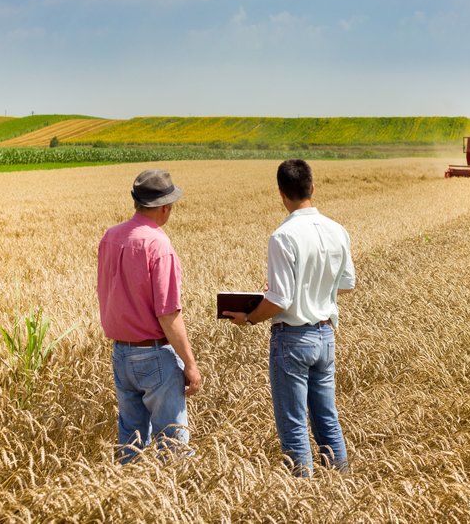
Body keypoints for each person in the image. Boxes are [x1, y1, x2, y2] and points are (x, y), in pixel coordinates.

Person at [224, 159, 355, 476]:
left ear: (281, 193)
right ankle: (343, 483)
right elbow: (347, 284)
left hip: (293, 339)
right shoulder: (337, 230)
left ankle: (302, 500)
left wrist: (250, 317)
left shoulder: (283, 236)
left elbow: (279, 300)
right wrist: (313, 292)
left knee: (293, 422)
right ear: (312, 187)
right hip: (325, 336)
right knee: (326, 417)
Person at [97, 169, 202, 463]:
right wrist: (190, 365)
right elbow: (168, 314)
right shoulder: (158, 245)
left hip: (121, 353)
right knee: (172, 444)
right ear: (165, 207)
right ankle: (171, 502)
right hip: (154, 355)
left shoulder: (110, 237)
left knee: (130, 441)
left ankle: (129, 503)